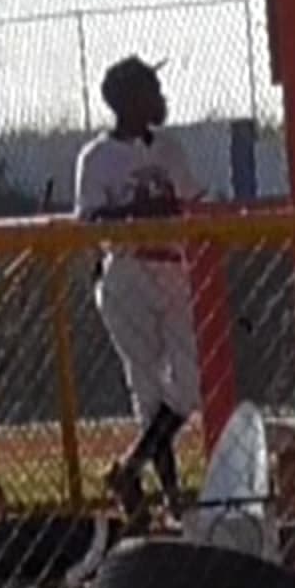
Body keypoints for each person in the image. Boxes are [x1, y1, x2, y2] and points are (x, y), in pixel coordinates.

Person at [76, 56, 203, 530]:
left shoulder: (170, 149)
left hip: (173, 267)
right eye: (150, 90)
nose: (160, 98)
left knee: (189, 383)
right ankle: (168, 501)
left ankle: (129, 467)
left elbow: (192, 201)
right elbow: (89, 221)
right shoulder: (97, 156)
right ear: (127, 101)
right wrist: (135, 211)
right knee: (147, 390)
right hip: (128, 269)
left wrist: (171, 207)